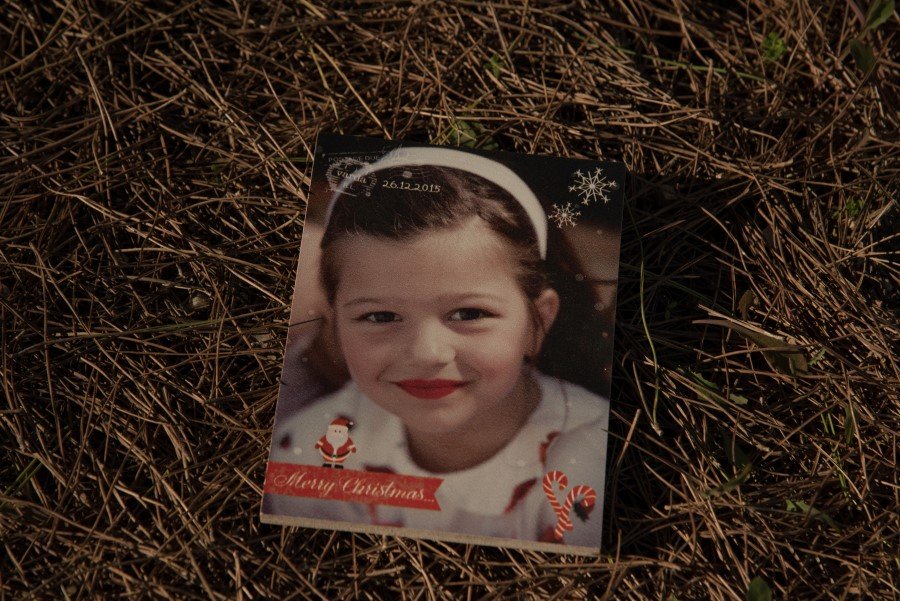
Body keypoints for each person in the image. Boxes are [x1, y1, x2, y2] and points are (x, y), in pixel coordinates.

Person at [266, 146, 610, 546]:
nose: (426, 353)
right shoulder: (310, 452)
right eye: (380, 316)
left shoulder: (589, 469)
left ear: (539, 322)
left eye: (469, 313)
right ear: (336, 322)